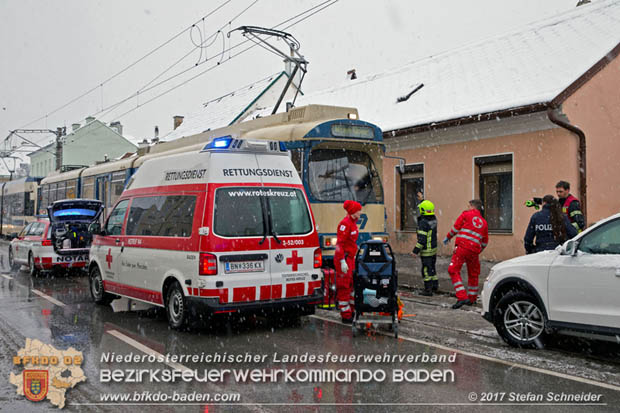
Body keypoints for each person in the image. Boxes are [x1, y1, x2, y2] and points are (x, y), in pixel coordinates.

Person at [443, 199, 489, 309]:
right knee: (473, 273)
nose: (467, 207)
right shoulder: (484, 222)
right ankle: (472, 299)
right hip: (474, 251)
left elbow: (456, 227)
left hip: (462, 247)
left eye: (468, 206)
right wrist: (478, 249)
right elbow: (485, 241)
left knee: (453, 270)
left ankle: (462, 296)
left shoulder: (466, 214)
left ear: (472, 207)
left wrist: (448, 237)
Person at [334, 200, 362, 324]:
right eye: (358, 210)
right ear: (353, 212)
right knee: (344, 286)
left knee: (351, 285)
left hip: (350, 258)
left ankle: (351, 310)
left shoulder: (352, 223)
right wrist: (341, 261)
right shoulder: (344, 224)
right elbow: (340, 244)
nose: (360, 212)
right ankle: (345, 315)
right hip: (344, 259)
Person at [411, 200, 438, 296]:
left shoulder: (423, 223)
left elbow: (422, 240)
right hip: (433, 249)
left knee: (426, 270)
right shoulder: (434, 219)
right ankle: (435, 286)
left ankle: (428, 290)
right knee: (432, 269)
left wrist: (415, 251)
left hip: (426, 250)